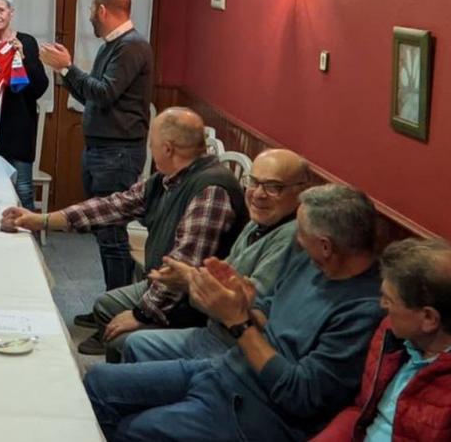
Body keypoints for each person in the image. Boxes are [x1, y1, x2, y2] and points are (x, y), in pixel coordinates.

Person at [83, 184, 385, 441]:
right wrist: (243, 304)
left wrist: (238, 323)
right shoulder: (310, 261)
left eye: (301, 232)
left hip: (257, 412)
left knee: (130, 429)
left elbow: (300, 395)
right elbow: (268, 310)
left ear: (326, 246)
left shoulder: (363, 311)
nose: (296, 237)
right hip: (223, 370)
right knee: (97, 382)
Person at [1, 107, 246, 358]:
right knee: (105, 306)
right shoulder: (169, 178)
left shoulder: (210, 191)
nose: (150, 150)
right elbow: (112, 206)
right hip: (165, 286)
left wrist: (141, 315)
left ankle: (130, 385)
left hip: (193, 305)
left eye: (152, 144)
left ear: (168, 149)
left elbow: (179, 272)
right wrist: (41, 220)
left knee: (122, 340)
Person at [121, 149, 310, 363]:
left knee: (118, 356)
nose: (258, 194)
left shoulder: (290, 238)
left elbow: (239, 309)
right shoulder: (259, 223)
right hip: (213, 333)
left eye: (274, 187)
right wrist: (191, 280)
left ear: (301, 191)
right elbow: (218, 280)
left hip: (233, 352)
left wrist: (191, 281)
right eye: (254, 182)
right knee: (134, 343)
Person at [38, 0, 153, 292]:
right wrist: (64, 73)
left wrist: (68, 68)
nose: (90, 18)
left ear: (102, 10)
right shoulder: (111, 45)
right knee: (104, 232)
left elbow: (104, 93)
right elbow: (92, 96)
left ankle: (116, 307)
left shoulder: (132, 46)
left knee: (112, 234)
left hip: (118, 153)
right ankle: (110, 303)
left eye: (91, 11)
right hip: (102, 150)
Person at [313, 238, 451, 442]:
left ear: (429, 318)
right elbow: (361, 410)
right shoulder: (391, 334)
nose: (382, 305)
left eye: (390, 300)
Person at [0, 0, 50, 209]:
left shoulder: (26, 42)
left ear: (11, 13)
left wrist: (24, 59)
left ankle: (30, 239)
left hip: (19, 128)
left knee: (23, 188)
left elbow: (40, 86)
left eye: (1, 10)